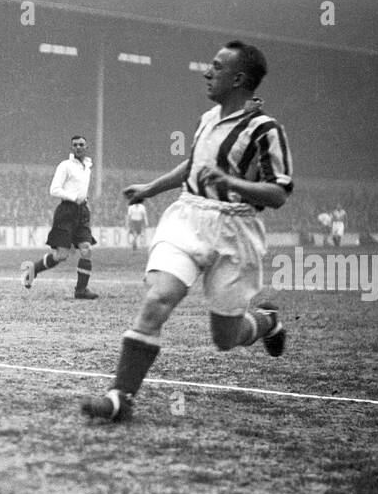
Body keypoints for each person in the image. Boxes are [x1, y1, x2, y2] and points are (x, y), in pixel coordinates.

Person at [81, 41, 292, 424]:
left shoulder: (266, 130)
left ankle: (266, 323)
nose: (207, 72)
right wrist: (149, 189)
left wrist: (233, 182)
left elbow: (279, 193)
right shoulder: (208, 118)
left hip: (236, 230)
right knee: (158, 299)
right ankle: (120, 396)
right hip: (189, 217)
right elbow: (192, 166)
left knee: (225, 338)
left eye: (216, 66)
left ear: (239, 78)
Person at [20, 135, 99, 300]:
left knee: (86, 249)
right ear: (72, 148)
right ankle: (33, 269)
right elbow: (54, 189)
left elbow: (81, 189)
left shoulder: (88, 167)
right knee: (61, 255)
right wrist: (73, 197)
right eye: (75, 145)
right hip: (66, 212)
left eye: (81, 144)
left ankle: (81, 290)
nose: (78, 147)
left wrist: (84, 201)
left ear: (86, 147)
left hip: (82, 211)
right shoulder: (65, 165)